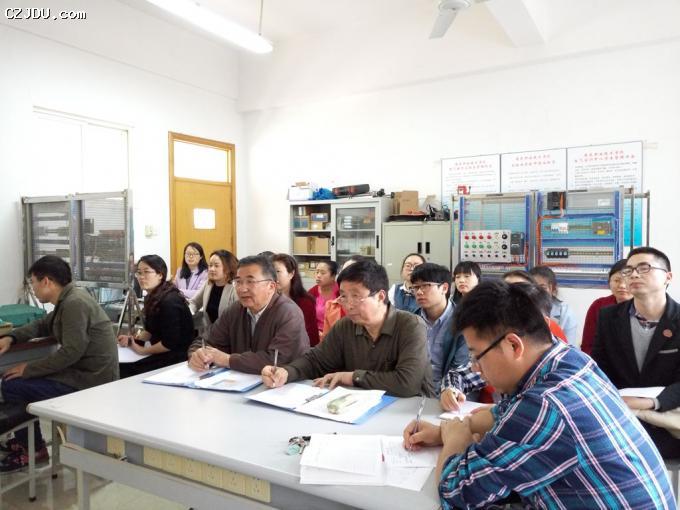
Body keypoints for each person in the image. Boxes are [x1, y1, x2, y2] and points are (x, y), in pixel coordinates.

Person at [403, 280, 674, 509]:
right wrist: (449, 429)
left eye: (476, 356)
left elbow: (456, 491)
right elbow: (506, 413)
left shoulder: (545, 405)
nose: (475, 368)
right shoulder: (567, 358)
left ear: (513, 345)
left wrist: (456, 438)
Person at [0, 256, 118, 472]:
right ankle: (28, 442)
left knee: (12, 384)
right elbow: (42, 324)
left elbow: (71, 353)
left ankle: (33, 450)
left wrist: (28, 369)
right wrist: (12, 337)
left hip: (89, 381)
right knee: (16, 381)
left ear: (46, 281)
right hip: (83, 373)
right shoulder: (69, 299)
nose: (33, 288)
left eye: (33, 282)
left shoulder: (74, 303)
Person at [261, 259, 433, 397]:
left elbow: (407, 383)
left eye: (356, 296)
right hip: (357, 407)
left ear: (380, 296)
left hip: (410, 411)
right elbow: (316, 361)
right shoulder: (346, 326)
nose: (348, 305)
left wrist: (352, 377)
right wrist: (287, 372)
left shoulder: (411, 326)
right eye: (343, 296)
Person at [592, 246, 680, 458]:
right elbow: (599, 369)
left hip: (667, 422)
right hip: (618, 421)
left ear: (668, 277)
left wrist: (650, 402)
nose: (633, 274)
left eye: (644, 268)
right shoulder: (608, 317)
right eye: (628, 270)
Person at [187, 255, 310, 374]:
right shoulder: (235, 310)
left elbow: (277, 359)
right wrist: (196, 355)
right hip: (239, 381)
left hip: (280, 385)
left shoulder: (288, 313)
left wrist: (228, 360)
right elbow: (205, 340)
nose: (242, 289)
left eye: (250, 282)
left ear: (271, 287)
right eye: (238, 282)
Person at [118, 255, 194, 378]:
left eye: (146, 272)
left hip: (176, 356)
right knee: (119, 363)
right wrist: (132, 340)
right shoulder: (152, 297)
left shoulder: (170, 301)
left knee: (125, 370)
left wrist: (142, 350)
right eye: (139, 273)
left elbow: (169, 344)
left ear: (160, 275)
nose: (141, 277)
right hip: (162, 350)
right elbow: (150, 331)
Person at [410, 263, 468, 396]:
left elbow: (460, 368)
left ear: (444, 288)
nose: (419, 292)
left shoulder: (463, 322)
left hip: (449, 393)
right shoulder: (411, 320)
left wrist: (447, 392)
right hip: (414, 393)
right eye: (416, 287)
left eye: (425, 285)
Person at [581, 259, 632, 354]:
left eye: (627, 281)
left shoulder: (643, 308)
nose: (622, 285)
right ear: (609, 282)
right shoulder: (598, 305)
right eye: (617, 280)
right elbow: (587, 345)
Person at [502, 271, 568, 343]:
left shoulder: (549, 327)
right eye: (508, 291)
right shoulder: (494, 326)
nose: (513, 298)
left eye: (521, 291)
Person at [188, 250, 239, 339]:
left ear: (228, 268)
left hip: (229, 337)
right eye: (210, 265)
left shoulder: (235, 289)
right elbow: (194, 303)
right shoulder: (208, 284)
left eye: (216, 265)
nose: (212, 269)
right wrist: (188, 312)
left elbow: (238, 320)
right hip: (209, 335)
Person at [272, 253, 320, 347]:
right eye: (271, 272)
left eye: (278, 271)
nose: (274, 276)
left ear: (291, 274)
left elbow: (312, 338)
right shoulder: (267, 300)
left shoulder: (305, 302)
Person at [320, 255, 368, 340]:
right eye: (344, 272)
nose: (346, 276)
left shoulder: (369, 306)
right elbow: (326, 339)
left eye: (352, 272)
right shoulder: (332, 306)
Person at [530, 265, 578, 345]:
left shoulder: (565, 312)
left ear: (553, 290)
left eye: (542, 288)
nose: (537, 292)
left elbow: (569, 346)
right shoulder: (523, 309)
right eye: (533, 288)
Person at [308, 261, 339, 336]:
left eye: (323, 273)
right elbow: (308, 319)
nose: (318, 275)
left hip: (338, 333)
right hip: (318, 334)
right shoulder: (311, 293)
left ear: (333, 276)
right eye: (317, 272)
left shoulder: (341, 292)